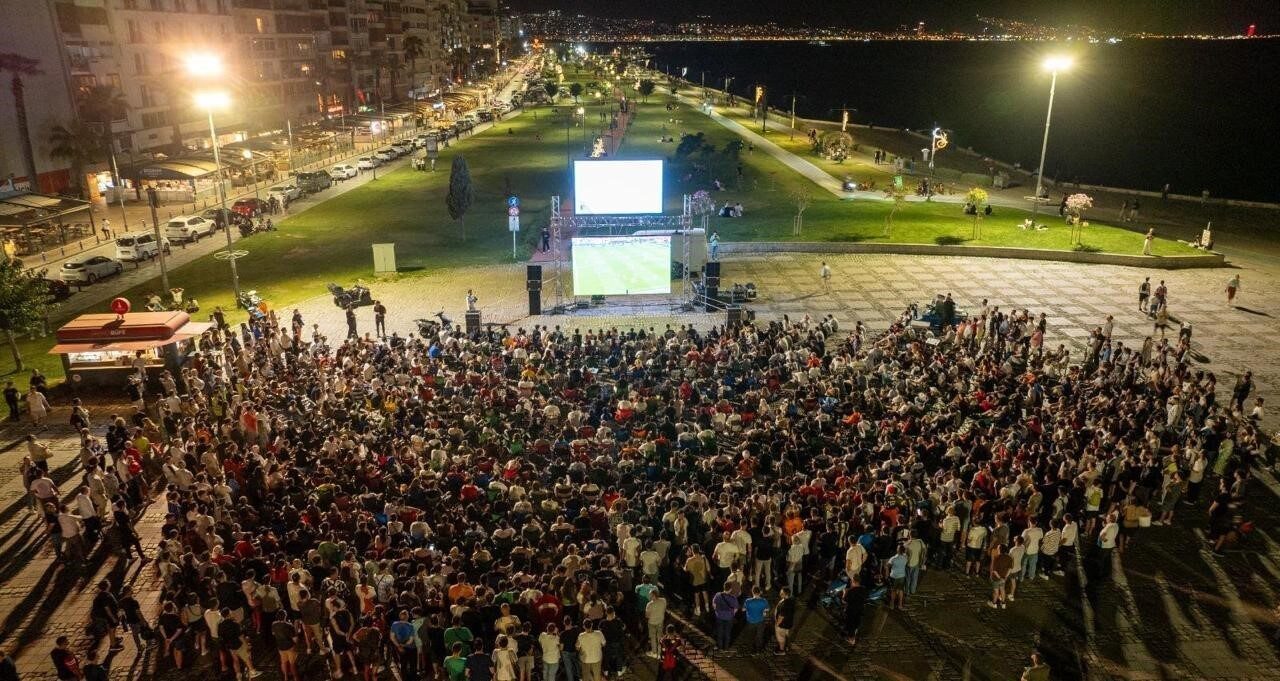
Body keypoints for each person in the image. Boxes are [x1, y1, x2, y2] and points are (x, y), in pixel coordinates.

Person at [742, 586, 769, 652]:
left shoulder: (748, 601)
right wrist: (763, 611)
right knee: (759, 635)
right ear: (760, 592)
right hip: (760, 621)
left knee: (750, 635)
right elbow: (767, 609)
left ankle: (750, 648)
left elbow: (743, 609)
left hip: (750, 621)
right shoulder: (764, 601)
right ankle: (758, 648)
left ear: (752, 592)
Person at [842, 577, 866, 644]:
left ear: (854, 582)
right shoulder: (863, 589)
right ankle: (855, 632)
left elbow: (844, 601)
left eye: (851, 581)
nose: (850, 582)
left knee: (851, 624)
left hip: (851, 610)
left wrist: (844, 593)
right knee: (856, 622)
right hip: (860, 609)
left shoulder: (851, 591)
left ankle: (851, 639)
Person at [774, 587, 796, 654]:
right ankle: (786, 646)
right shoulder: (791, 600)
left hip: (782, 624)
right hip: (788, 622)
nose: (780, 594)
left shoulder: (785, 604)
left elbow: (781, 616)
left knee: (781, 637)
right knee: (786, 635)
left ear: (786, 594)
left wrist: (777, 624)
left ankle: (781, 650)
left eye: (781, 593)